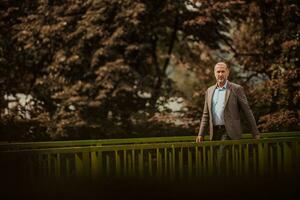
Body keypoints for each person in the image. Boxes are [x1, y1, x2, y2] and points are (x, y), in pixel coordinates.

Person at [195, 62, 260, 174]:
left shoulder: (236, 89)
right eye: (218, 72)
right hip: (214, 133)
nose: (220, 74)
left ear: (228, 72)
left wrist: (255, 132)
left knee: (221, 162)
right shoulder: (209, 91)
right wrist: (201, 134)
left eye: (223, 71)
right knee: (220, 164)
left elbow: (247, 111)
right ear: (214, 73)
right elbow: (205, 114)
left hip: (229, 132)